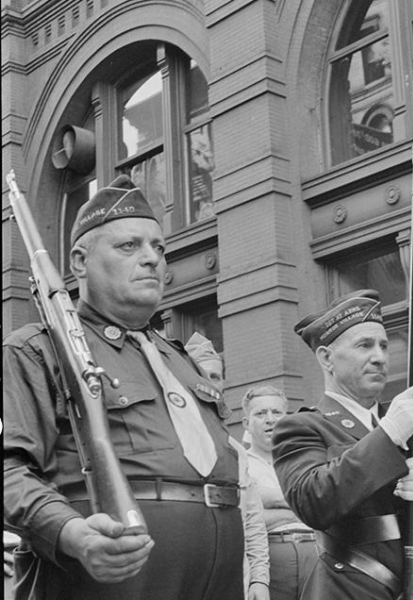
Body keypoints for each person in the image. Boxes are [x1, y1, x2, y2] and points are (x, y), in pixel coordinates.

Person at [3, 175, 245, 599]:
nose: (152, 259)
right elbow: (8, 471)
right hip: (105, 579)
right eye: (129, 246)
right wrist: (72, 533)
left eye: (159, 247)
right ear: (79, 262)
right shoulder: (37, 349)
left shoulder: (180, 359)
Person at [271, 289, 413, 600]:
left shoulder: (407, 421)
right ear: (326, 358)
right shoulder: (302, 427)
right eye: (364, 345)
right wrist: (389, 435)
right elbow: (312, 501)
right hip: (359, 585)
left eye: (383, 345)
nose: (379, 356)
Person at [186, 332, 271, 600]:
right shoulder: (166, 440)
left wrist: (259, 580)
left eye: (215, 376)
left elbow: (253, 521)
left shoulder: (234, 450)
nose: (209, 384)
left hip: (234, 582)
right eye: (200, 374)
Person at [241, 385, 318, 600]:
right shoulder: (240, 463)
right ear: (246, 422)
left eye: (276, 412)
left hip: (317, 555)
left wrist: (270, 502)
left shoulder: (304, 460)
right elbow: (246, 522)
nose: (270, 419)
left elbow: (326, 509)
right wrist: (301, 507)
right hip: (269, 560)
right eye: (260, 413)